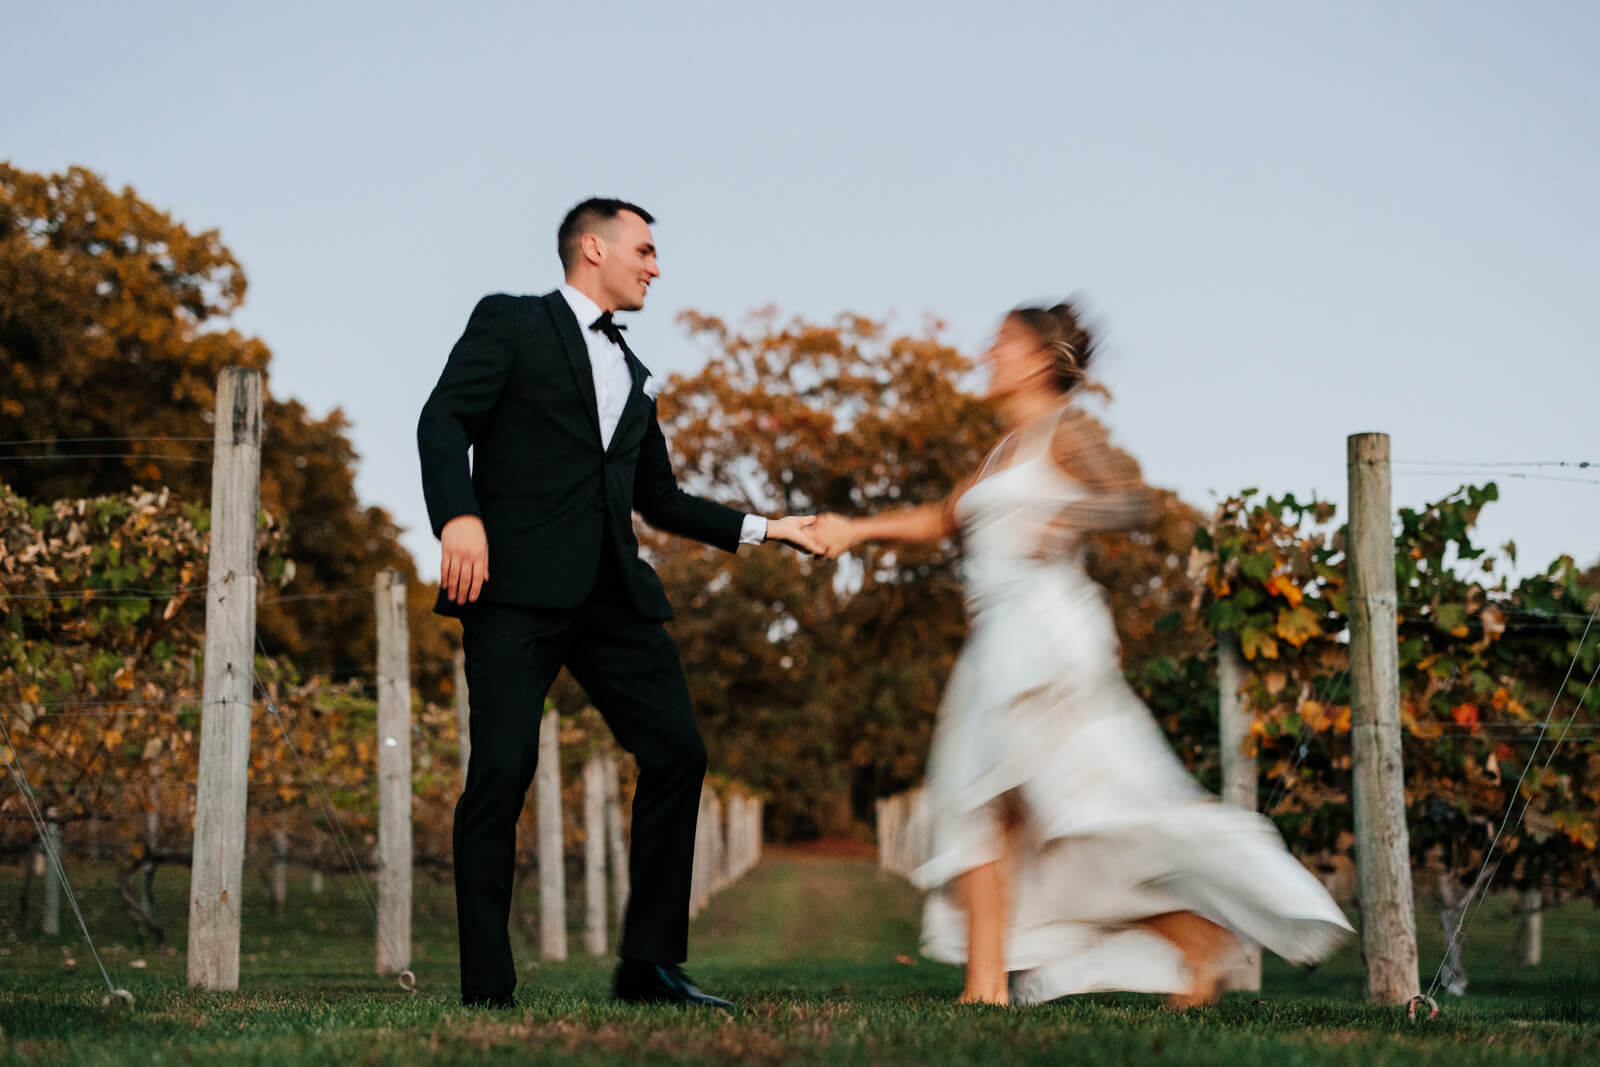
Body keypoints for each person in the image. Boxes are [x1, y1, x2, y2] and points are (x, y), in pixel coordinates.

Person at [811, 301, 1352, 1006]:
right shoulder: (1002, 451)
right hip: (998, 638)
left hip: (1042, 632)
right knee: (1023, 812)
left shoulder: (1067, 433)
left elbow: (1131, 501)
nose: (987, 354)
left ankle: (1007, 982)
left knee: (1037, 803)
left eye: (1002, 342)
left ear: (1039, 359)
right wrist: (854, 530)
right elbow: (943, 517)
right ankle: (1179, 939)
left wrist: (1064, 514)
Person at [417, 197, 822, 1009]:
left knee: (678, 752)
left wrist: (773, 528)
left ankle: (649, 967)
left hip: (614, 596)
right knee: (501, 771)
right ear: (593, 247)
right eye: (645, 249)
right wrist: (458, 517)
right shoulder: (512, 321)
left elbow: (662, 499)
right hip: (513, 592)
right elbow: (443, 417)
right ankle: (487, 985)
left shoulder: (637, 376)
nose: (656, 266)